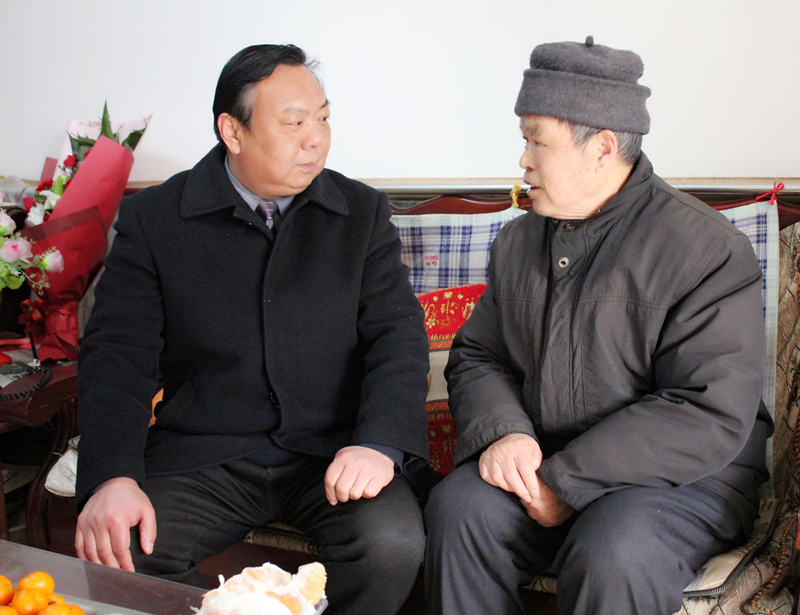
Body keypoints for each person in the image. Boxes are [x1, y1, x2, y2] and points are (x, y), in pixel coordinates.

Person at [74, 44, 430, 615]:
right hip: (205, 453)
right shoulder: (156, 219)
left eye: (323, 119)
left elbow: (398, 337)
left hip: (329, 454)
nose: (316, 139)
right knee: (123, 551)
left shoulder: (360, 213)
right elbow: (117, 354)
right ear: (232, 132)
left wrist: (378, 444)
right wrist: (113, 475)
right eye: (294, 122)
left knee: (390, 546)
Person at [424, 37, 772, 615]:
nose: (523, 160)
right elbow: (479, 356)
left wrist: (567, 481)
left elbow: (706, 407)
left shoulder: (706, 249)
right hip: (546, 457)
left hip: (684, 477)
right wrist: (505, 433)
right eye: (523, 139)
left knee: (615, 549)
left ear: (603, 148)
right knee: (460, 509)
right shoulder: (518, 241)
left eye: (536, 140)